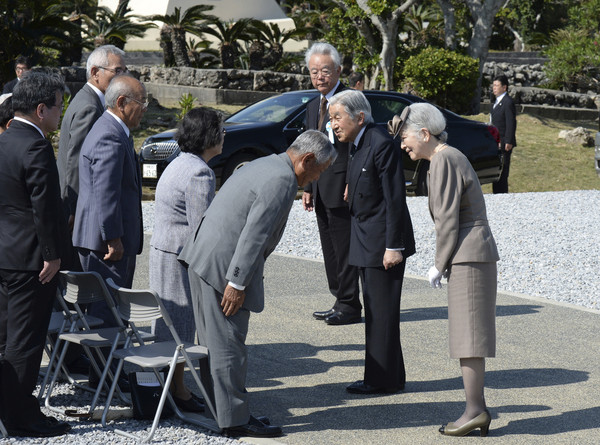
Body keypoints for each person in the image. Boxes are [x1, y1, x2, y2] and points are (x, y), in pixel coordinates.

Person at [178, 130, 336, 438]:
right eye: (320, 169)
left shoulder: (266, 164)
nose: (318, 178)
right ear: (306, 159)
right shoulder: (281, 179)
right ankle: (234, 420)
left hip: (205, 260)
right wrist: (236, 283)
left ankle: (221, 410)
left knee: (214, 344)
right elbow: (255, 235)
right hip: (222, 269)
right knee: (227, 345)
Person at [397, 103, 499, 437]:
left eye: (406, 137)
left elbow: (447, 220)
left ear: (424, 133)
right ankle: (476, 408)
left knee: (468, 337)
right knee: (468, 335)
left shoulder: (442, 159)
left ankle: (474, 410)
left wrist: (437, 265)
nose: (403, 144)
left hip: (467, 254)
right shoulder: (447, 156)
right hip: (472, 252)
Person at [327, 90, 415, 394]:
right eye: (331, 119)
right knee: (378, 312)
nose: (334, 125)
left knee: (381, 313)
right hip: (366, 237)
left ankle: (380, 380)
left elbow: (395, 198)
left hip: (382, 243)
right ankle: (391, 376)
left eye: (338, 117)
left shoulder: (380, 142)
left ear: (360, 117)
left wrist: (395, 245)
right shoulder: (358, 143)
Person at [0, 70, 72, 437]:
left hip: (4, 253)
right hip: (31, 259)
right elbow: (43, 206)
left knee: (6, 336)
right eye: (60, 106)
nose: (61, 113)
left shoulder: (5, 138)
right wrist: (52, 254)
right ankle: (20, 416)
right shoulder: (37, 145)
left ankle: (9, 407)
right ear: (42, 109)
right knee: (26, 342)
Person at [149, 108, 224, 413]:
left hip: (164, 251)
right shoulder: (199, 172)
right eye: (221, 130)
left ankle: (174, 388)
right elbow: (201, 228)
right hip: (180, 257)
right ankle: (177, 391)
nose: (225, 136)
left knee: (170, 325)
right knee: (180, 327)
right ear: (208, 135)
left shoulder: (179, 162)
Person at [73, 75, 146, 331]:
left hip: (107, 243)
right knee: (108, 315)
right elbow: (106, 192)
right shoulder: (110, 135)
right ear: (123, 102)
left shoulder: (113, 130)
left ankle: (108, 368)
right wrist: (113, 238)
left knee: (111, 312)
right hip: (107, 247)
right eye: (142, 101)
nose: (145, 108)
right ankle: (107, 369)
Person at [303, 42, 361, 326]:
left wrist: (353, 181)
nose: (319, 77)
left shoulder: (350, 102)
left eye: (325, 71)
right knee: (330, 249)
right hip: (320, 188)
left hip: (343, 188)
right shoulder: (314, 104)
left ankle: (350, 304)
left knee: (345, 247)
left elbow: (357, 149)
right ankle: (339, 298)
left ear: (338, 70)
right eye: (314, 72)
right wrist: (306, 187)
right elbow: (309, 149)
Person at [58, 45, 127, 232]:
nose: (122, 77)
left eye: (124, 71)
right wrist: (73, 208)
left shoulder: (90, 100)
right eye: (117, 71)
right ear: (95, 72)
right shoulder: (90, 107)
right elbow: (77, 160)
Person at [490, 74, 516, 194]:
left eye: (496, 85)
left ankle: (502, 195)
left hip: (504, 143)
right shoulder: (496, 101)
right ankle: (496, 194)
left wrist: (509, 141)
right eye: (493, 85)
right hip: (496, 143)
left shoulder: (507, 102)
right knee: (496, 170)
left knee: (503, 172)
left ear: (504, 87)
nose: (494, 88)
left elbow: (511, 122)